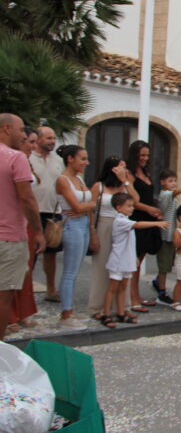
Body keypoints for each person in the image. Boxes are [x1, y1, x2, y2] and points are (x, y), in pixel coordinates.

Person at [0, 114, 45, 339]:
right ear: (7, 129)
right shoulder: (14, 157)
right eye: (20, 131)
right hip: (9, 236)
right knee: (4, 296)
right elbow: (26, 198)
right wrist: (38, 231)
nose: (24, 135)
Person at [101, 193, 169, 328]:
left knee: (123, 288)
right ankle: (106, 314)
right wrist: (156, 223)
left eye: (132, 206)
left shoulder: (126, 220)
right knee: (112, 288)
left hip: (127, 260)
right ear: (119, 207)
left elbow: (130, 243)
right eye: (129, 206)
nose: (132, 208)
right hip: (118, 260)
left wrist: (133, 258)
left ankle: (121, 313)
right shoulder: (121, 221)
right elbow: (138, 224)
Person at [87, 156, 139, 319]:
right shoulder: (99, 186)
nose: (125, 170)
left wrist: (125, 181)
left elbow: (136, 200)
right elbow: (91, 210)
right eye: (121, 167)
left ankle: (123, 306)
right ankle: (98, 306)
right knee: (102, 265)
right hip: (104, 224)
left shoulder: (124, 187)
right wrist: (92, 232)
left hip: (123, 226)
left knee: (123, 264)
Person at [53, 145, 96, 330]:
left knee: (75, 269)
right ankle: (65, 313)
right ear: (70, 158)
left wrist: (87, 206)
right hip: (72, 224)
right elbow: (78, 207)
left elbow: (84, 205)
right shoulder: (63, 180)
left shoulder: (77, 179)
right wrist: (92, 204)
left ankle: (70, 308)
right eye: (83, 158)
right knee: (70, 271)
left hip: (83, 223)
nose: (86, 163)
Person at [7, 127, 40, 334]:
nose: (32, 145)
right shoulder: (13, 159)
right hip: (16, 219)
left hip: (26, 221)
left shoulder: (26, 161)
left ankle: (23, 311)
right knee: (11, 271)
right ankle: (10, 315)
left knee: (26, 268)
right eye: (30, 141)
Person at [125, 140, 164, 312]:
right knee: (134, 261)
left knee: (140, 259)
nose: (145, 158)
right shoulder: (129, 173)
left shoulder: (145, 172)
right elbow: (132, 200)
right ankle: (132, 297)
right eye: (142, 155)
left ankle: (136, 294)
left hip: (148, 217)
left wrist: (154, 210)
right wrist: (148, 208)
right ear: (134, 155)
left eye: (147, 155)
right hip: (137, 217)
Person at [29, 125, 63, 302]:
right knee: (31, 255)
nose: (52, 141)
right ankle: (25, 293)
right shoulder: (28, 158)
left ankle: (51, 289)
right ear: (38, 139)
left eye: (54, 138)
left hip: (53, 212)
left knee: (51, 253)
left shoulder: (57, 160)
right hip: (33, 212)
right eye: (49, 138)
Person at [152, 169, 181, 306]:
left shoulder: (171, 196)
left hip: (170, 235)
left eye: (175, 181)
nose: (173, 183)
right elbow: (172, 193)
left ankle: (157, 282)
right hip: (164, 236)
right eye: (170, 181)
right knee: (164, 266)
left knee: (168, 263)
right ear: (162, 182)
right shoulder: (165, 194)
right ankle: (162, 292)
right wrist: (180, 189)